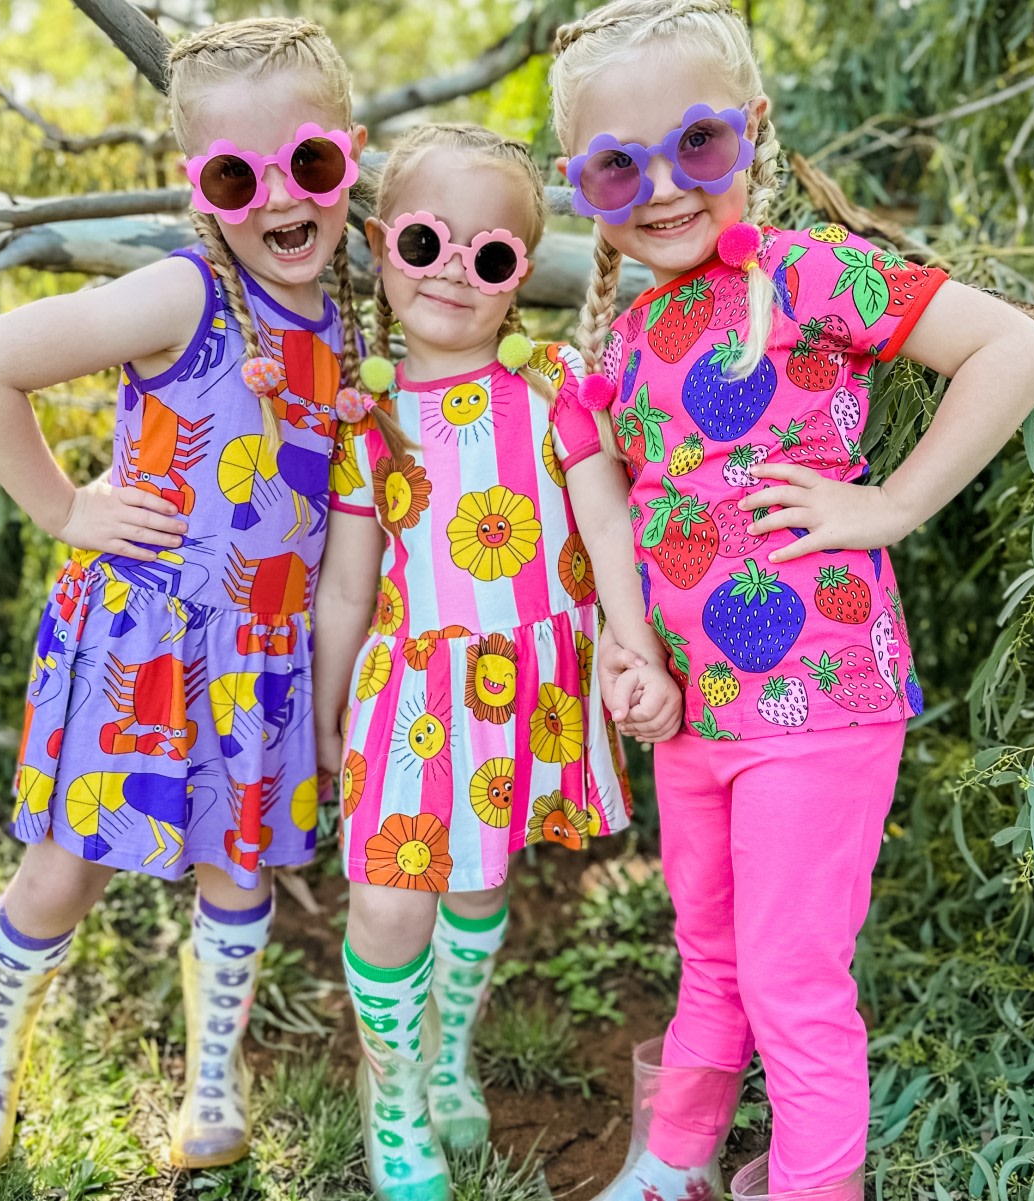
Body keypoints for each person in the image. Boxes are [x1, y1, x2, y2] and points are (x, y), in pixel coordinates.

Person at [548, 3, 1034, 1200]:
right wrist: (630, 651)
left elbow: (1016, 351)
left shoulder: (809, 275)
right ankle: (675, 1160)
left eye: (699, 145)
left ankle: (817, 1184)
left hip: (818, 697)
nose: (665, 186)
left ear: (756, 133)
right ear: (584, 184)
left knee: (790, 970)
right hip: (693, 715)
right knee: (710, 953)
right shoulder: (615, 343)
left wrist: (892, 507)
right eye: (621, 163)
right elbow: (614, 514)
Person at [0, 16, 366, 1173]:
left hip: (262, 654)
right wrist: (65, 509)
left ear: (350, 157)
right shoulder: (180, 296)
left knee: (240, 868)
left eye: (309, 163)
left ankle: (212, 1085)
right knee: (65, 864)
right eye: (240, 173)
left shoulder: (341, 325)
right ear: (201, 189)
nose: (282, 197)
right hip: (146, 641)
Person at [311, 122, 682, 1201]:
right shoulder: (368, 412)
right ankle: (395, 1095)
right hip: (411, 688)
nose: (453, 276)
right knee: (390, 897)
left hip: (527, 684)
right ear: (382, 244)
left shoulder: (555, 382)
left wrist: (631, 639)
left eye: (489, 257)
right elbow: (345, 580)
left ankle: (452, 1053)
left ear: (521, 270)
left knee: (478, 876)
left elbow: (608, 524)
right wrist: (330, 711)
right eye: (426, 244)